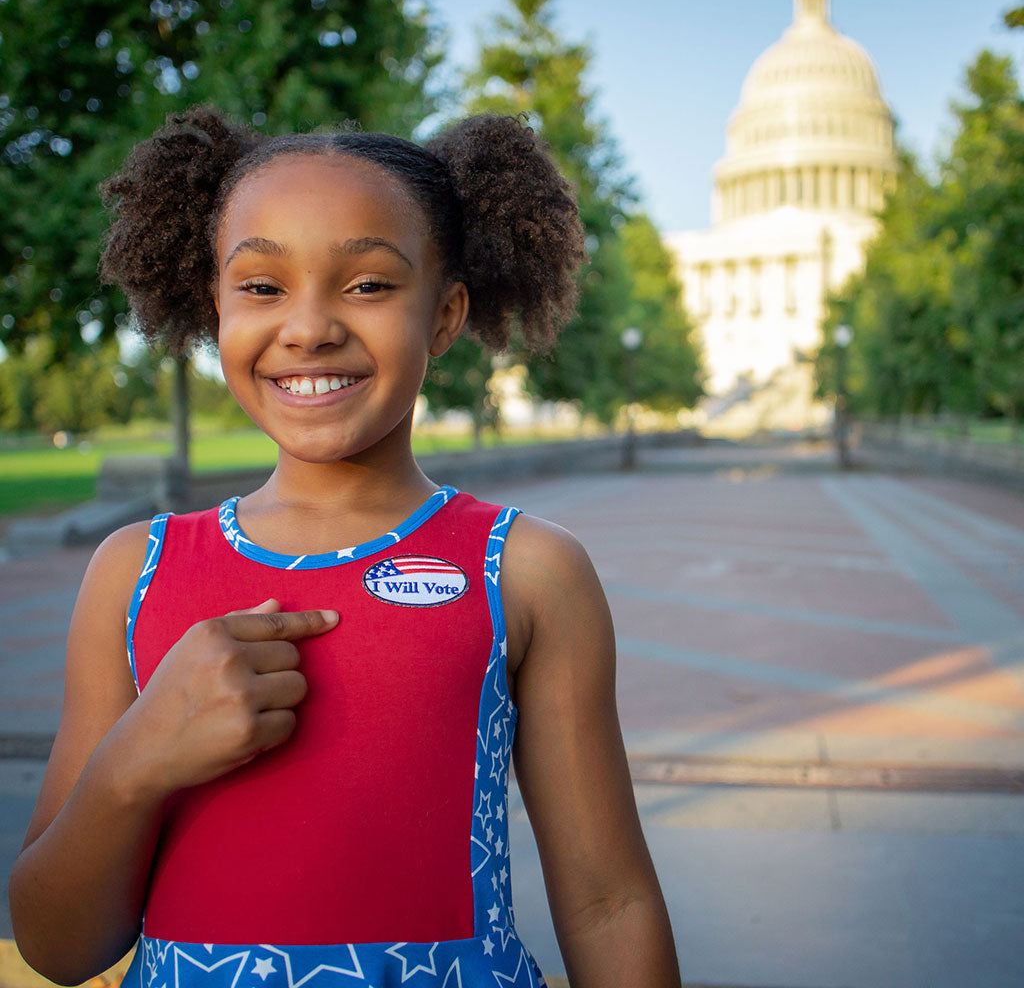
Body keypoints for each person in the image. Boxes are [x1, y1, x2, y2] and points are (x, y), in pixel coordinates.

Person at [8, 107, 680, 988]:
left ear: (445, 317)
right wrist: (135, 759)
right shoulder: (134, 573)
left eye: (368, 285)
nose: (310, 326)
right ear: (215, 309)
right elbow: (57, 948)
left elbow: (609, 904)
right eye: (261, 287)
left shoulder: (525, 571)